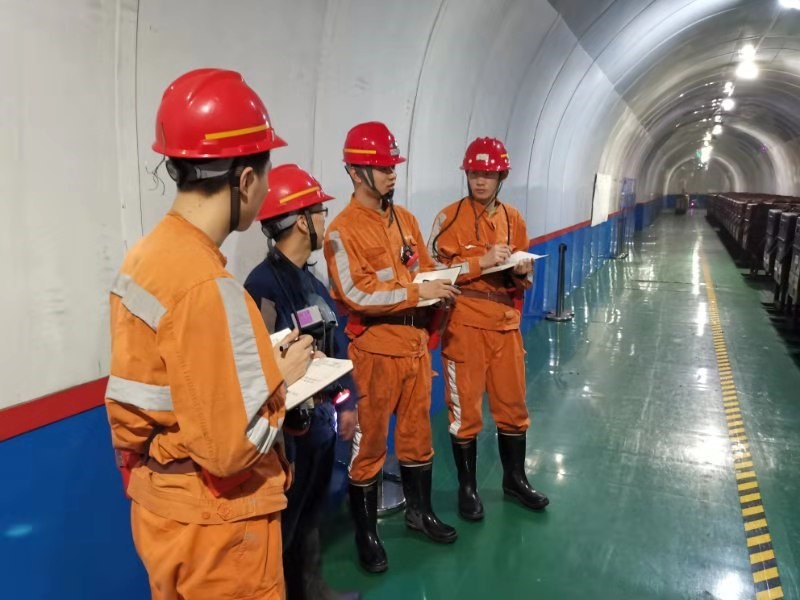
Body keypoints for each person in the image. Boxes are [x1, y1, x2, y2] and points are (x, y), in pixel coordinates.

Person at [104, 69, 313, 599]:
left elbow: (175, 383)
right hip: (220, 532)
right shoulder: (208, 286)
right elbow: (229, 450)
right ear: (245, 181)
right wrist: (280, 380)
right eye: (265, 173)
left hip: (164, 510)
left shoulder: (145, 258)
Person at [323, 122, 461, 574]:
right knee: (370, 445)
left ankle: (420, 514)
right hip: (374, 354)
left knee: (418, 437)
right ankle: (367, 535)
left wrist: (441, 284)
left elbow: (422, 267)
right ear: (355, 173)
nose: (391, 175)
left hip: (415, 349)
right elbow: (355, 294)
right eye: (382, 168)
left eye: (393, 167)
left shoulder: (405, 220)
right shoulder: (341, 232)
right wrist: (418, 293)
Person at [245, 164, 361, 600]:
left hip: (322, 424)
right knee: (286, 523)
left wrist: (348, 403)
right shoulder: (262, 287)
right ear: (300, 222)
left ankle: (312, 588)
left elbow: (338, 342)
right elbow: (263, 366)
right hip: (291, 434)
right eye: (319, 212)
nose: (324, 221)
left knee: (312, 511)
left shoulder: (312, 283)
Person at [427, 137, 550, 521]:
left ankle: (515, 479)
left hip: (505, 325)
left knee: (513, 406)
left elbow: (526, 275)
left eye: (488, 174)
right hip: (465, 324)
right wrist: (479, 262)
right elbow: (434, 273)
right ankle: (467, 488)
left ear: (501, 177)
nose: (480, 181)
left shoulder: (515, 220)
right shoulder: (448, 219)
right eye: (474, 173)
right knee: (465, 412)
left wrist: (521, 271)